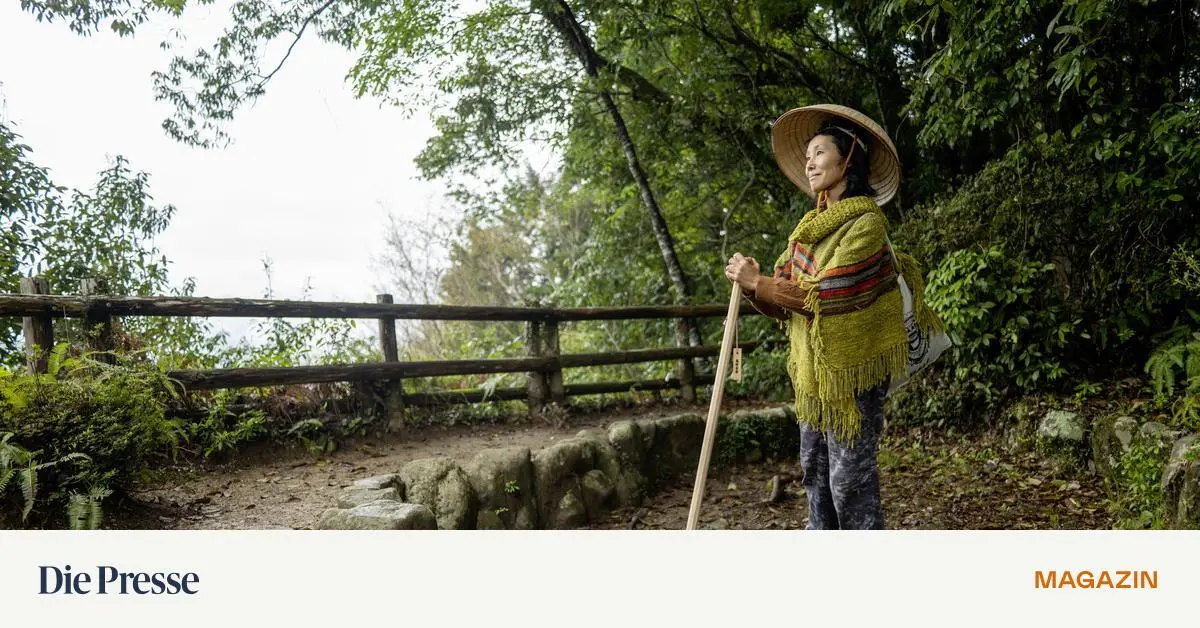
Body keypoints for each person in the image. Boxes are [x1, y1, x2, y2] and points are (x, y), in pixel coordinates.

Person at [723, 104, 943, 530]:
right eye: (807, 155)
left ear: (848, 160)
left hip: (853, 375)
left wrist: (762, 283)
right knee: (816, 479)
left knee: (849, 485)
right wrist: (753, 287)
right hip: (813, 377)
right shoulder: (806, 232)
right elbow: (785, 300)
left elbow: (829, 294)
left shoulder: (866, 225)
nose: (809, 162)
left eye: (819, 152)